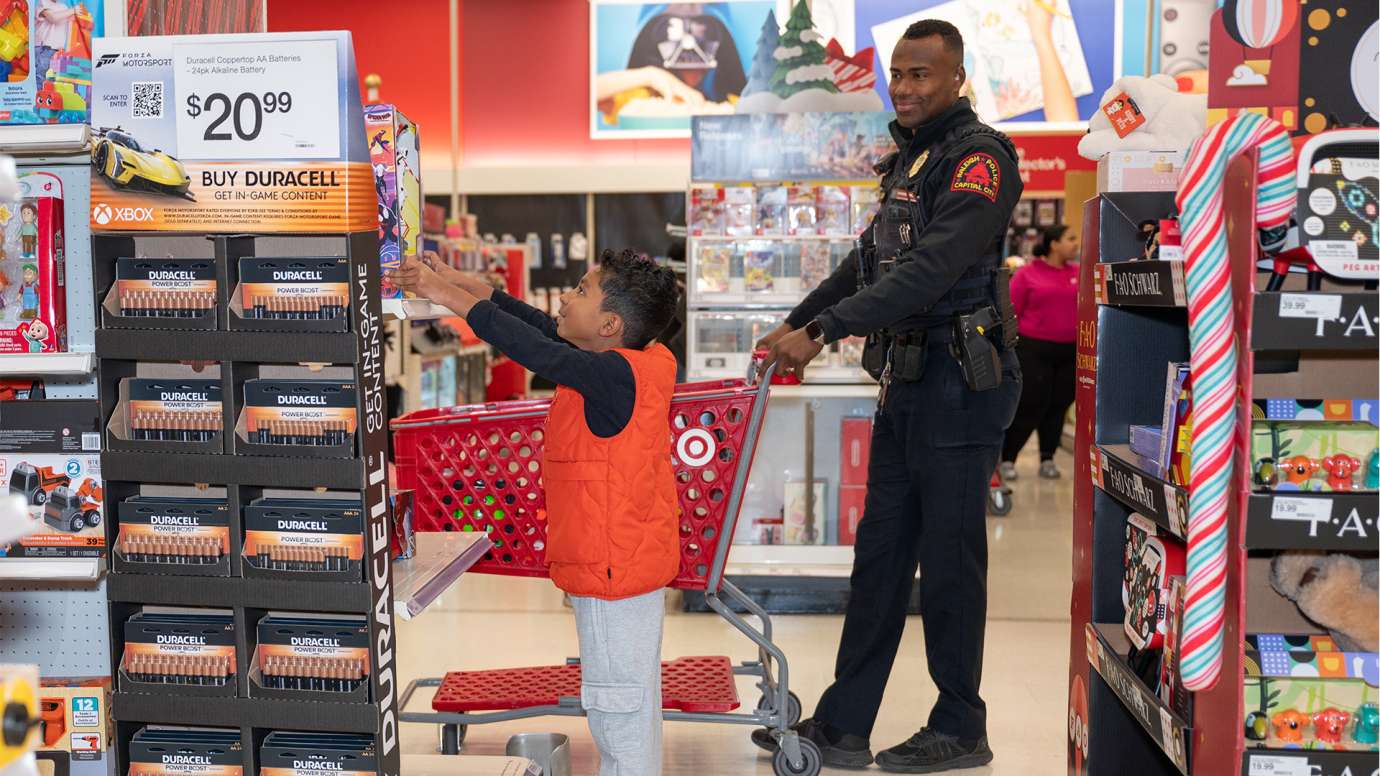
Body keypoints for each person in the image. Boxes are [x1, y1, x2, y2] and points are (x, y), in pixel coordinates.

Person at [751, 19, 1022, 773]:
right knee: (879, 560)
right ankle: (843, 725)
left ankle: (962, 725)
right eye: (898, 74)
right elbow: (868, 261)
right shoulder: (911, 160)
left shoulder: (980, 163)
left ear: (957, 78)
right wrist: (796, 322)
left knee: (949, 564)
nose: (905, 87)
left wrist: (825, 330)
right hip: (906, 381)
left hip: (960, 385)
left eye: (922, 75)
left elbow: (929, 270)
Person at [388, 248, 681, 776]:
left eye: (582, 292)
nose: (566, 298)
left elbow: (537, 350)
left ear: (610, 325)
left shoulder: (614, 377)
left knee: (618, 707)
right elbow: (541, 327)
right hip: (620, 564)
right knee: (627, 697)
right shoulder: (631, 362)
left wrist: (446, 296)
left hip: (615, 573)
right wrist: (461, 282)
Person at [1000, 225, 1080, 482]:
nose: (1075, 244)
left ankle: (1048, 457)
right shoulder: (1026, 274)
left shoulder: (1079, 273)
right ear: (1053, 243)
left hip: (1070, 351)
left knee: (1058, 406)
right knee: (1029, 405)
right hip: (1033, 350)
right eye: (1070, 238)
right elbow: (1011, 311)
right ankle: (1008, 459)